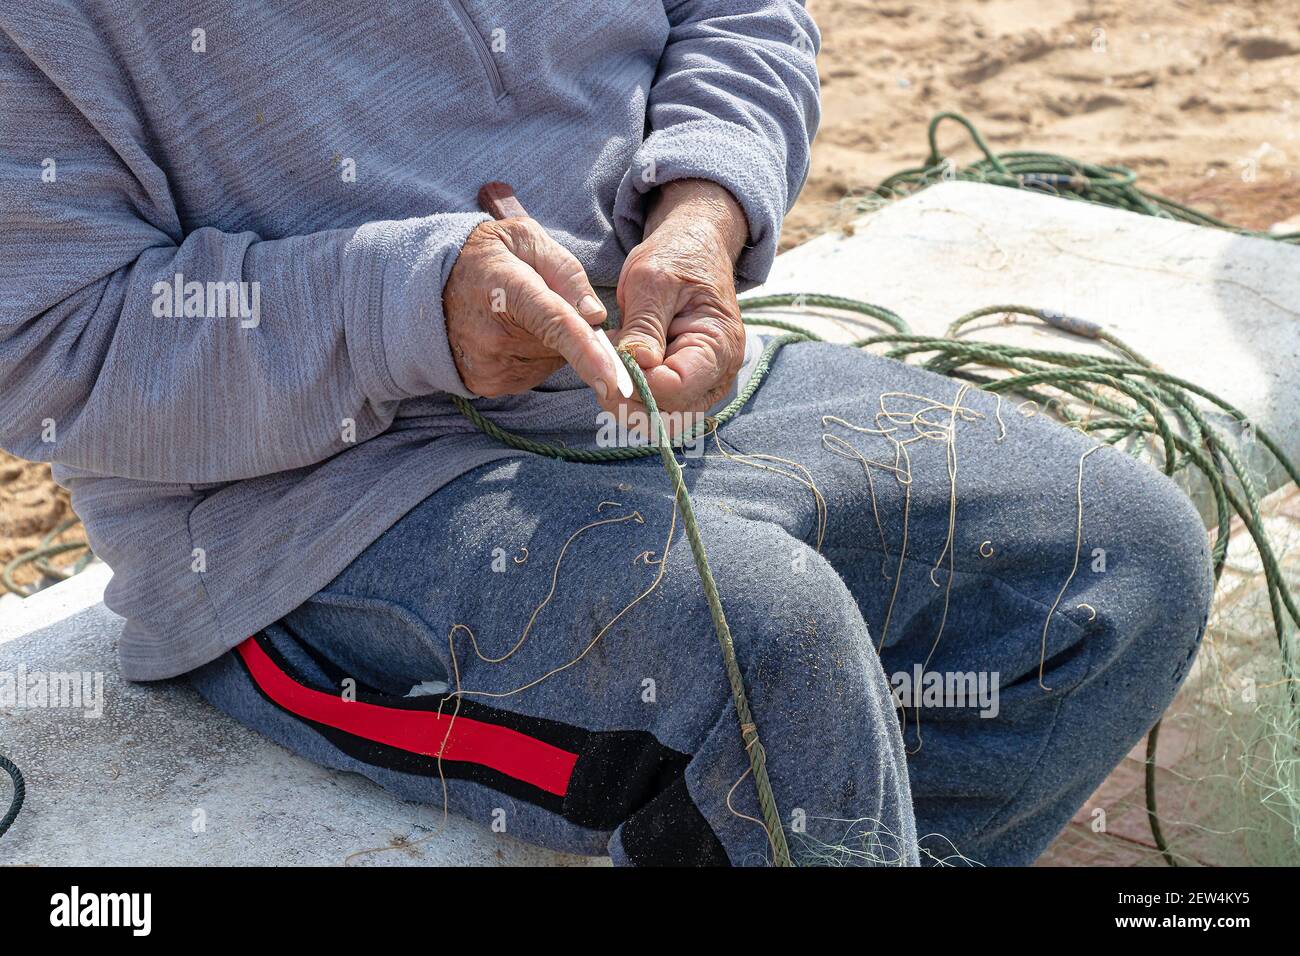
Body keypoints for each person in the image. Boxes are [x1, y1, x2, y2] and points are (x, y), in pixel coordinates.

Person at [0, 2, 1212, 866]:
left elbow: (738, 16)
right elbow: (41, 347)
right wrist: (408, 309)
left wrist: (701, 211)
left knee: (1117, 556)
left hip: (663, 392)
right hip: (316, 512)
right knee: (759, 652)